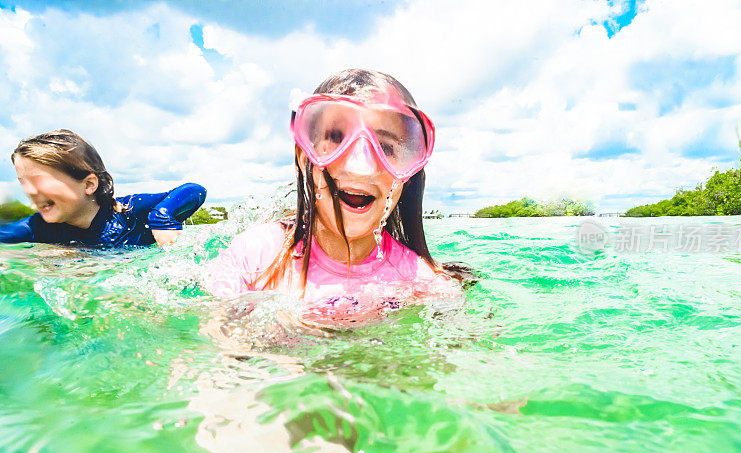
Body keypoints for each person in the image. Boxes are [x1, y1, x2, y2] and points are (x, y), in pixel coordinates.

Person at [208, 69, 471, 320]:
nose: (360, 168)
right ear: (304, 158)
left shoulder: (423, 284)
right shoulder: (254, 256)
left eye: (386, 147)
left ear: (407, 174)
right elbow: (216, 347)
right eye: (336, 136)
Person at [0, 129, 206, 246]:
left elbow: (195, 190)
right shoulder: (38, 228)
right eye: (24, 182)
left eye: (39, 180)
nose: (30, 191)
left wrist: (161, 217)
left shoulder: (131, 212)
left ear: (89, 184)